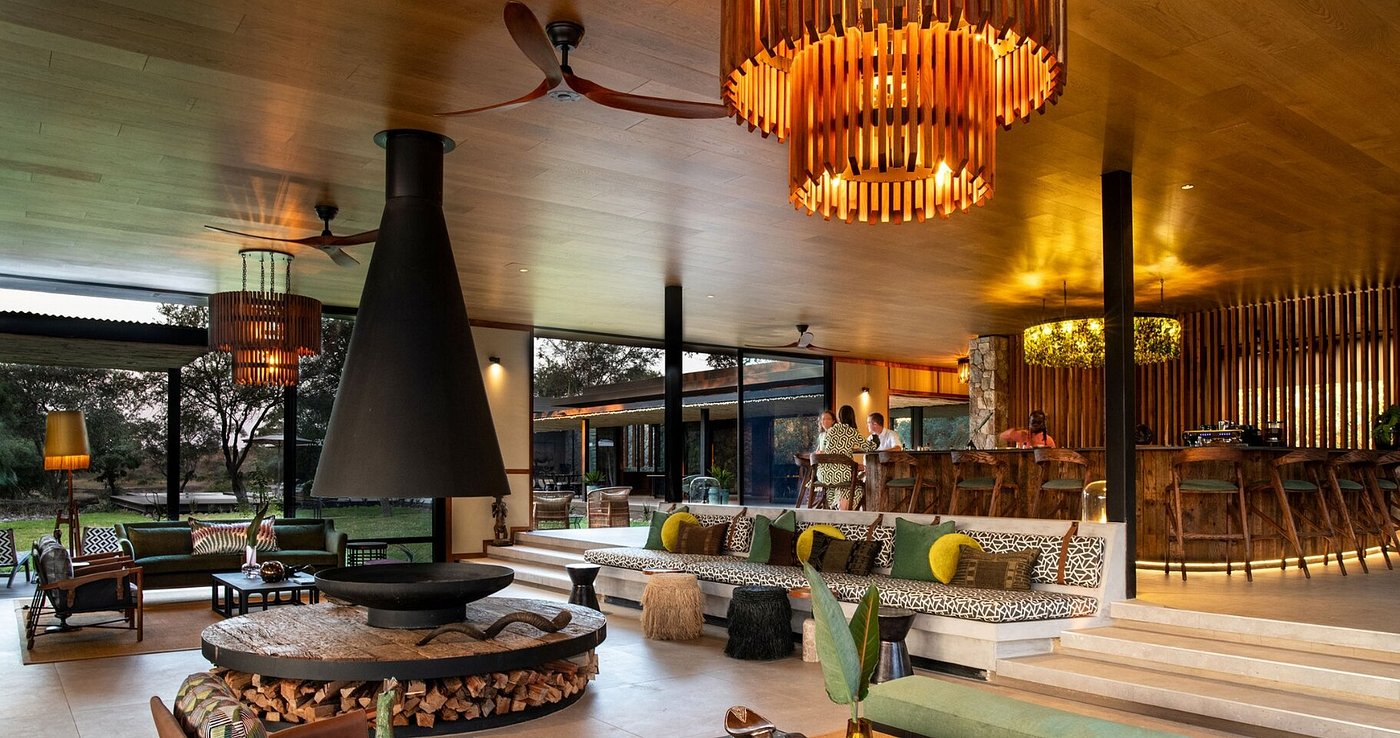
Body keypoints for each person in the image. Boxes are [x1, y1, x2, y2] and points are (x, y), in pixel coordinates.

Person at [817, 405, 874, 509]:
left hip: (824, 474)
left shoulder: (830, 431)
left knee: (842, 486)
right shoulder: (852, 431)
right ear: (852, 417)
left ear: (838, 417)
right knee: (857, 488)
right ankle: (842, 511)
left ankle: (835, 507)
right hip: (841, 475)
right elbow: (869, 447)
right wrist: (876, 440)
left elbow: (824, 450)